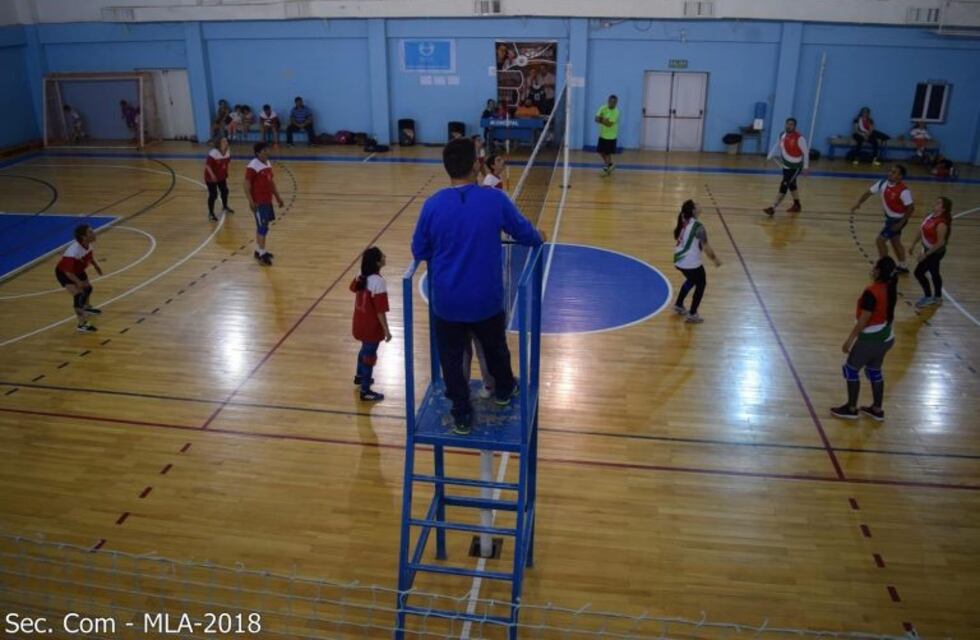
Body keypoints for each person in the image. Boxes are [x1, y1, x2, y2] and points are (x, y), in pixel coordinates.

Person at [411, 138, 544, 435]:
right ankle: (504, 389)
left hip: (447, 302)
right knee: (495, 347)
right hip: (485, 300)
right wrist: (539, 236)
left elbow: (419, 250)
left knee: (452, 357)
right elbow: (525, 233)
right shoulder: (494, 200)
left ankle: (461, 412)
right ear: (476, 164)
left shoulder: (432, 205)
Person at [831, 256, 898, 421]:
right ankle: (877, 409)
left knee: (851, 370)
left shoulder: (872, 292)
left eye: (876, 266)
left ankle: (851, 408)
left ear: (879, 271)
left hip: (871, 340)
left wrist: (850, 339)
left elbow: (864, 320)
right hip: (886, 337)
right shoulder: (890, 287)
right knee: (874, 370)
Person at [850, 165, 914, 275]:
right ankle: (903, 266)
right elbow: (868, 193)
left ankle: (885, 268)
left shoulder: (903, 191)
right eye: (890, 171)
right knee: (895, 242)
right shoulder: (882, 183)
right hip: (890, 219)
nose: (890, 173)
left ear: (900, 177)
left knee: (880, 241)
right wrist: (858, 203)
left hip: (897, 220)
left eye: (894, 172)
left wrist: (901, 223)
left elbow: (911, 208)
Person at [350, 246, 392, 402]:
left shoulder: (361, 275)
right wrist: (386, 331)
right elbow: (380, 311)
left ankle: (359, 377)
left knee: (363, 350)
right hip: (371, 327)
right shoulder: (379, 282)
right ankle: (365, 390)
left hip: (358, 324)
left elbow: (352, 288)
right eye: (383, 256)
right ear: (377, 262)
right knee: (369, 357)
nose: (385, 256)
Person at [671, 200, 722, 324]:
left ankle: (678, 304)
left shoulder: (684, 219)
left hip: (679, 259)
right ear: (694, 210)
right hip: (690, 262)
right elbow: (706, 247)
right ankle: (692, 314)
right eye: (697, 204)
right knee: (701, 284)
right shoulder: (698, 226)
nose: (699, 204)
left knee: (691, 280)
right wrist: (715, 259)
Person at [55, 224, 103, 334]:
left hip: (78, 270)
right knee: (78, 295)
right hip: (65, 273)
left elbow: (89, 257)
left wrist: (96, 266)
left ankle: (86, 307)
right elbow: (68, 272)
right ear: (83, 237)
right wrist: (78, 282)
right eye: (90, 232)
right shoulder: (73, 251)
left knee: (88, 289)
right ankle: (82, 325)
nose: (94, 233)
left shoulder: (88, 245)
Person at [244, 142, 284, 266]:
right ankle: (262, 254)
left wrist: (278, 197)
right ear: (259, 153)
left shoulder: (267, 163)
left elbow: (271, 182)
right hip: (259, 202)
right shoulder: (252, 166)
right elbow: (246, 185)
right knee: (263, 227)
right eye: (265, 150)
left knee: (263, 226)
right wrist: (251, 201)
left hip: (267, 200)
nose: (268, 152)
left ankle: (259, 250)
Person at [910, 196, 952, 309]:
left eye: (939, 203)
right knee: (934, 272)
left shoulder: (941, 223)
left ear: (943, 209)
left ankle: (929, 297)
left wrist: (925, 255)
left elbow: (940, 243)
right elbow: (921, 230)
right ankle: (937, 297)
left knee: (919, 273)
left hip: (936, 252)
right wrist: (913, 244)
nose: (935, 203)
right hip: (928, 250)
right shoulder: (930, 216)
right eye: (936, 201)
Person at [764, 117, 809, 216]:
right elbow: (776, 145)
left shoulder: (799, 138)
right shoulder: (782, 135)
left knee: (784, 185)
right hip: (786, 165)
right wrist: (769, 157)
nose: (789, 126)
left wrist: (805, 167)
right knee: (792, 185)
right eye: (788, 124)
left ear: (795, 126)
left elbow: (806, 153)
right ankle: (797, 205)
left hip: (795, 167)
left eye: (791, 124)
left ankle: (773, 207)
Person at [204, 137, 234, 222]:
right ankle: (211, 214)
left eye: (226, 141)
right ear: (219, 143)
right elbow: (208, 165)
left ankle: (225, 207)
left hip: (221, 176)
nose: (226, 142)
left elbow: (226, 163)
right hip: (210, 177)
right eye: (223, 141)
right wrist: (212, 175)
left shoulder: (228, 151)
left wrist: (225, 172)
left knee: (225, 191)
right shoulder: (214, 153)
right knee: (213, 195)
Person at [595, 95, 619, 176]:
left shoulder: (616, 112)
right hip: (602, 135)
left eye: (615, 102)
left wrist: (601, 119)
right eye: (611, 101)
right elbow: (596, 119)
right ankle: (610, 165)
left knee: (607, 153)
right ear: (608, 101)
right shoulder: (603, 108)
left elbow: (609, 124)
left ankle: (607, 168)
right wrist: (604, 120)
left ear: (616, 103)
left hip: (611, 136)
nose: (613, 103)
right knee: (600, 151)